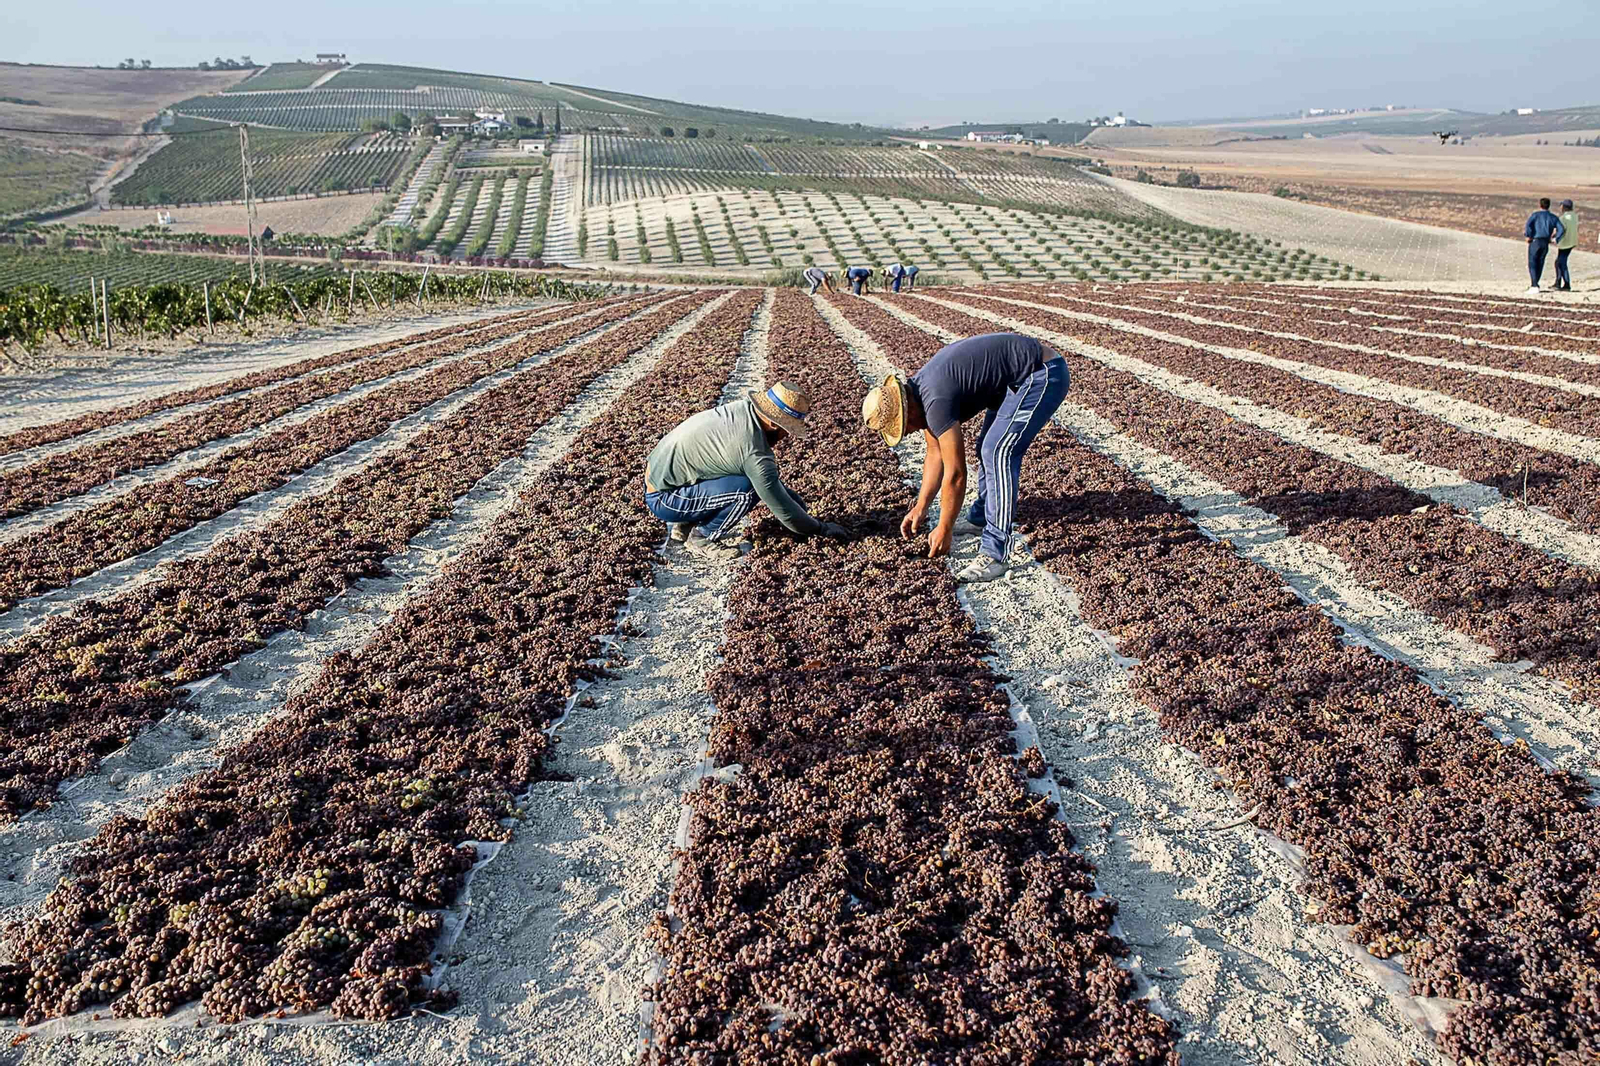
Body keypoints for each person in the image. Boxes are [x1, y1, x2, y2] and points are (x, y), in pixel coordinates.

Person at [861, 332, 1069, 583]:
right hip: (1013, 380)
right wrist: (921, 507)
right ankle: (982, 517)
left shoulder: (934, 400)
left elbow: (956, 474)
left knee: (998, 451)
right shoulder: (919, 394)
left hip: (1041, 373)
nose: (908, 431)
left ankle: (995, 552)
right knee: (987, 446)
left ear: (908, 411)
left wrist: (945, 528)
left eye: (903, 426)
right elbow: (935, 453)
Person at [644, 381, 847, 561]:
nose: (787, 435)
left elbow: (774, 488)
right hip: (664, 499)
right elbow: (778, 503)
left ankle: (687, 521)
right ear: (773, 423)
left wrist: (798, 506)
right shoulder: (754, 453)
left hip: (667, 480)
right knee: (747, 491)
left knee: (742, 479)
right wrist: (819, 528)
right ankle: (702, 537)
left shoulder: (741, 411)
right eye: (788, 429)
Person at [1524, 197, 1566, 294]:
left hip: (1535, 240)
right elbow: (1561, 229)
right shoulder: (1553, 217)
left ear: (1540, 205)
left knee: (1533, 263)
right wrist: (1555, 239)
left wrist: (1528, 235)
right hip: (1545, 242)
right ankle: (1535, 283)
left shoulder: (1535, 215)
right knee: (1540, 263)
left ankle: (1534, 285)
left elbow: (1528, 225)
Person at [1555, 199, 1579, 292]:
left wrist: (1555, 238)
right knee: (1559, 262)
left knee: (1561, 263)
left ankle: (1566, 284)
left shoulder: (1563, 218)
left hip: (1565, 243)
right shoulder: (1574, 216)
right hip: (1572, 242)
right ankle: (1558, 282)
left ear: (1564, 207)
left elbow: (1561, 230)